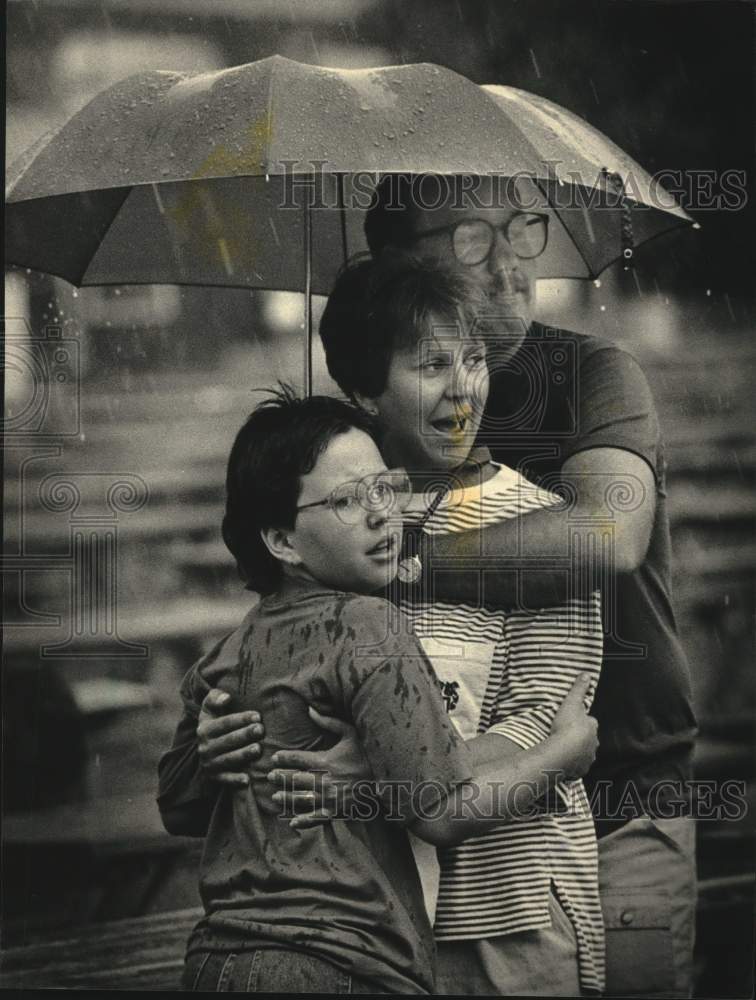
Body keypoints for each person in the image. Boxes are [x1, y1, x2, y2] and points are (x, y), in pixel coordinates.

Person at [186, 173, 698, 998]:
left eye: (521, 228)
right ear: (395, 265)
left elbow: (604, 534)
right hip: (423, 873)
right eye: (469, 237)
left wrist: (398, 569)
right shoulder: (362, 465)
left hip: (616, 782)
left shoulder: (590, 373)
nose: (507, 264)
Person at [159, 372, 600, 993]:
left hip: (219, 960)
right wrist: (565, 753)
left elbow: (176, 807)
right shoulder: (371, 628)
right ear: (282, 539)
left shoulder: (227, 653)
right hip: (342, 964)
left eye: (385, 488)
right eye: (345, 501)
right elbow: (440, 810)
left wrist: (209, 763)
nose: (379, 514)